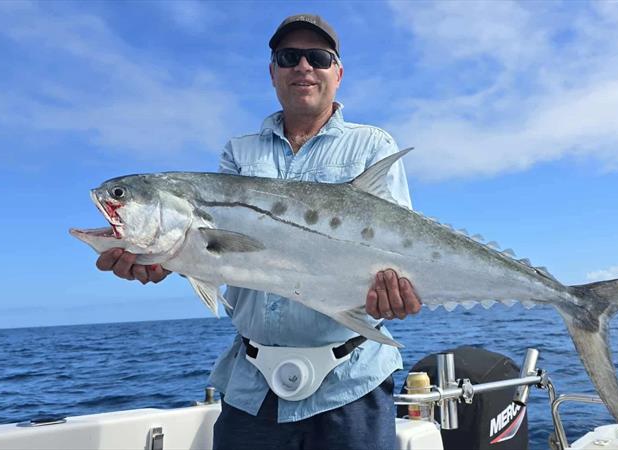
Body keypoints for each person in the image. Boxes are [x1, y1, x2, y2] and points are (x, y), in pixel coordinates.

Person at [95, 13, 421, 450]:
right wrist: (163, 261)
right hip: (254, 389)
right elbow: (215, 250)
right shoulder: (239, 151)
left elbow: (400, 247)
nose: (303, 67)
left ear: (337, 73)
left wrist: (397, 292)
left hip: (353, 383)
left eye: (318, 57)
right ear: (272, 73)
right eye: (289, 57)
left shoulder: (372, 145)